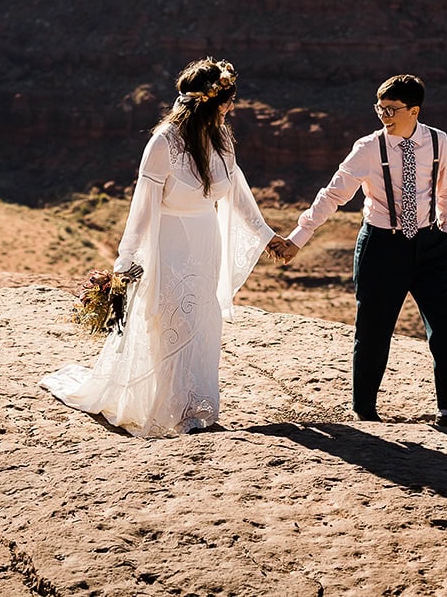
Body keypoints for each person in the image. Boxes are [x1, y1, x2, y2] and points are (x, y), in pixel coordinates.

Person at [42, 58, 290, 437]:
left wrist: (265, 233)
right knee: (174, 323)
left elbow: (236, 190)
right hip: (169, 248)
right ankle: (174, 411)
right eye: (229, 100)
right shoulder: (163, 143)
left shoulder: (221, 138)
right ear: (212, 102)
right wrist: (125, 262)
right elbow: (142, 208)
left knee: (203, 323)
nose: (233, 107)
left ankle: (195, 406)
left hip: (207, 243)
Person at [273, 74, 447, 429]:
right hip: (382, 247)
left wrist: (446, 231)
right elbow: (332, 195)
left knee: (445, 327)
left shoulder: (439, 142)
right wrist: (298, 238)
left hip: (430, 246)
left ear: (414, 110)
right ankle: (365, 411)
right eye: (379, 107)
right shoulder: (367, 148)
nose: (383, 115)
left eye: (392, 109)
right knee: (374, 330)